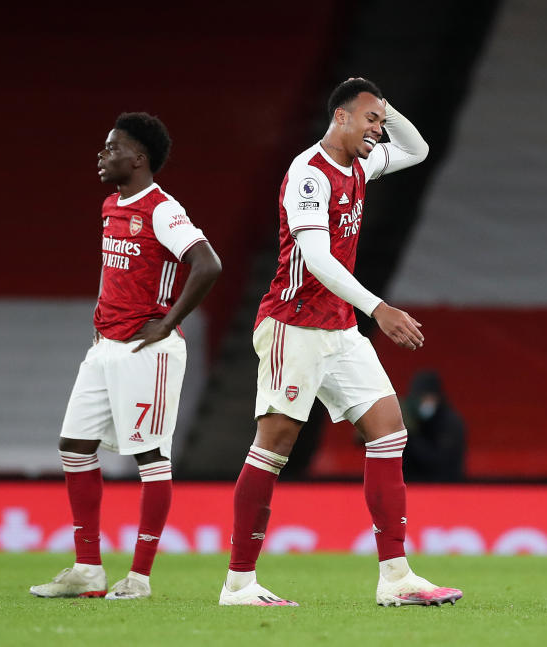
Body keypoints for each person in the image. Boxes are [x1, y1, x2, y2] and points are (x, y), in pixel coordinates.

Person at [218, 78, 462, 607]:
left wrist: (383, 106)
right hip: (294, 323)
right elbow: (320, 260)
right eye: (370, 119)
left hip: (339, 329)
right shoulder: (310, 175)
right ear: (340, 118)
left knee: (389, 431)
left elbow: (418, 149)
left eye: (381, 120)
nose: (378, 129)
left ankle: (396, 578)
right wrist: (379, 308)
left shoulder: (361, 164)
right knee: (274, 445)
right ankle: (238, 583)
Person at [30, 112, 221, 600]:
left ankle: (139, 576)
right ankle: (87, 569)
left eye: (112, 148)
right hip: (104, 347)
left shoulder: (162, 209)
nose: (102, 155)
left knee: (150, 457)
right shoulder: (110, 206)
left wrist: (168, 320)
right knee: (74, 446)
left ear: (138, 159)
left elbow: (207, 263)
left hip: (146, 351)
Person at [402, 370, 466, 482]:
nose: (424, 402)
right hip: (414, 486)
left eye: (428, 397)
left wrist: (412, 437)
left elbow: (442, 461)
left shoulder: (451, 423)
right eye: (420, 397)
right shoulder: (413, 419)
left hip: (446, 486)